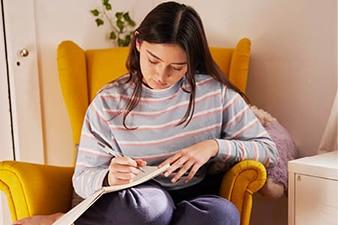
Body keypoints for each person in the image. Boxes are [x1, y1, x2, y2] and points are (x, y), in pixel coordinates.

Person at [13, 1, 277, 225]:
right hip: (136, 203)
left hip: (194, 197)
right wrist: (109, 175)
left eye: (177, 66)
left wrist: (213, 147)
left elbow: (268, 150)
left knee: (222, 214)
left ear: (192, 60)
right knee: (152, 206)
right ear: (138, 42)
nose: (161, 76)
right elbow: (82, 178)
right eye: (153, 60)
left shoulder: (215, 94)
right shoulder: (109, 101)